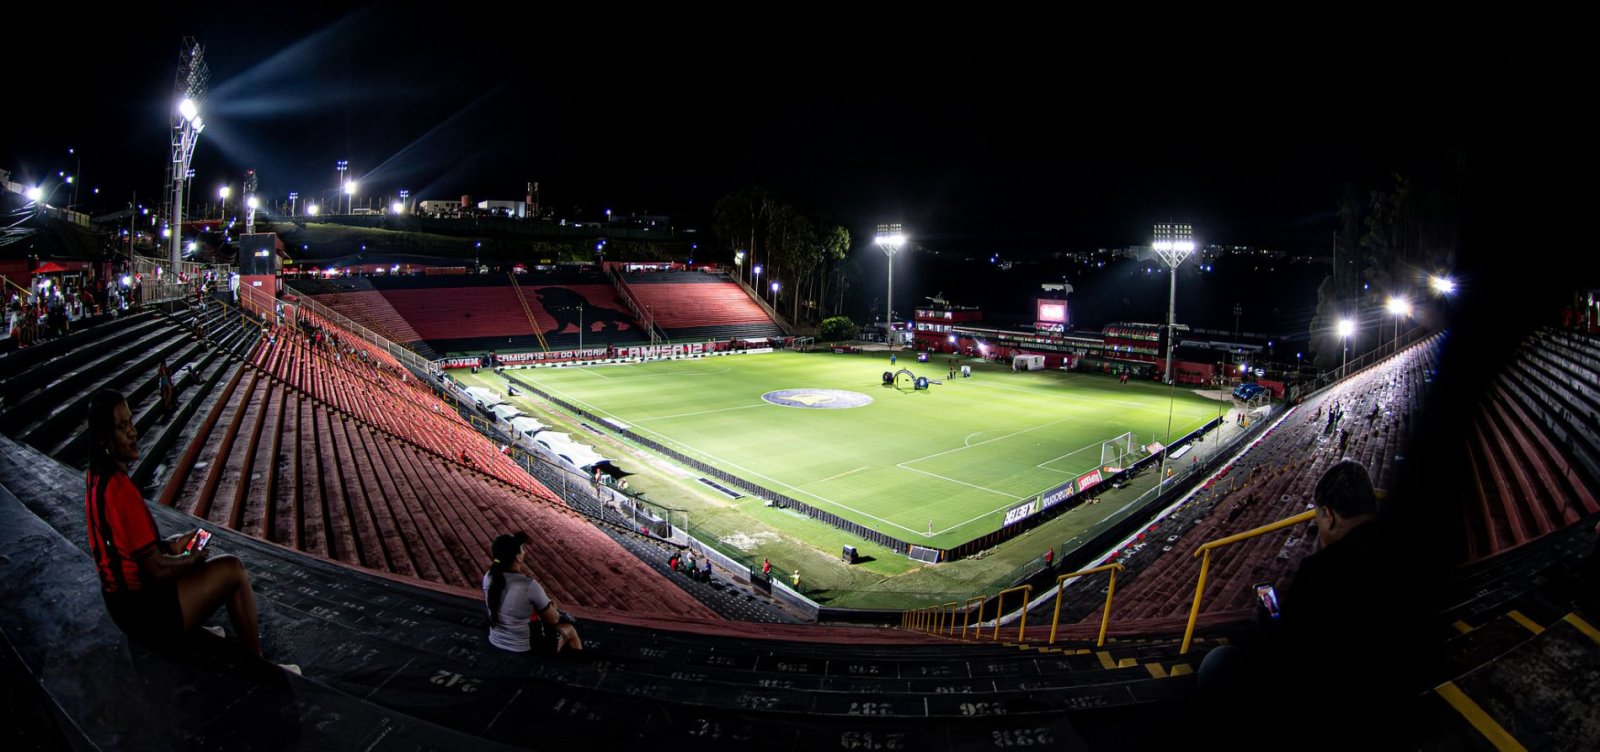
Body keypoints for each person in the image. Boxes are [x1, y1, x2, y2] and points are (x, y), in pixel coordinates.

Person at [84, 389, 277, 664]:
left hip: (121, 606)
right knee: (232, 569)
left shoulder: (96, 477)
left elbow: (128, 550)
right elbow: (156, 568)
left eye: (130, 421)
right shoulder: (120, 491)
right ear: (104, 438)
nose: (133, 432)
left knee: (178, 541)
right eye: (122, 426)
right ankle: (257, 662)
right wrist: (189, 559)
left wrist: (172, 547)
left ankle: (194, 618)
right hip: (145, 617)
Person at [483, 532, 582, 653]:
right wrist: (552, 607)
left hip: (496, 639)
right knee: (569, 629)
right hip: (523, 646)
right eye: (522, 549)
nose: (524, 552)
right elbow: (554, 620)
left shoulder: (488, 577)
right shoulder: (529, 585)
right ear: (518, 557)